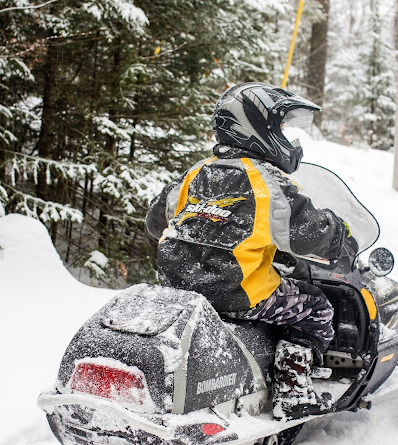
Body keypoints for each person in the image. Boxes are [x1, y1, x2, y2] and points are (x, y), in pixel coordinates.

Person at [145, 82, 354, 421]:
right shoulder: (267, 182)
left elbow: (154, 224)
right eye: (282, 128)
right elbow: (309, 234)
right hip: (238, 295)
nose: (288, 139)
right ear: (258, 128)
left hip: (178, 293)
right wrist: (340, 235)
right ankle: (293, 391)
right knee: (316, 308)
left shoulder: (194, 174)